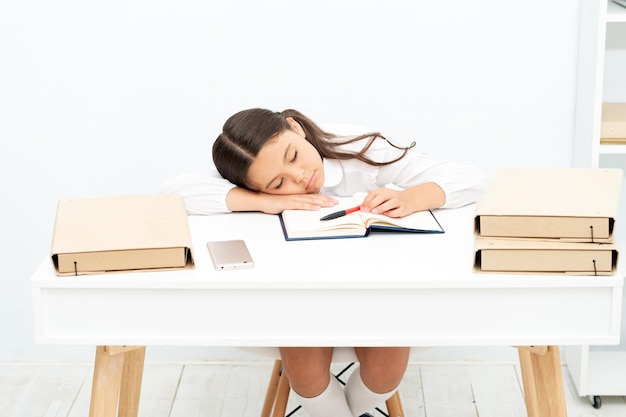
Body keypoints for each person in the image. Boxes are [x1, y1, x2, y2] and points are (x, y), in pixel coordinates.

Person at [160, 108, 488, 417]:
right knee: (306, 374)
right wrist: (261, 202)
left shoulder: (356, 147)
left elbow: (472, 179)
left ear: (295, 127)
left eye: (294, 156)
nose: (300, 177)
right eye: (278, 183)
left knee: (386, 372)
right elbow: (175, 193)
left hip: (376, 287)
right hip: (300, 293)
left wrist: (410, 197)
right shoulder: (248, 169)